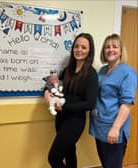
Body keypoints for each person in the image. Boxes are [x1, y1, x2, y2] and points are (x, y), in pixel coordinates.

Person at [44, 33, 98, 168]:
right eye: (77, 46)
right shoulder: (67, 70)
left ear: (89, 51)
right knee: (69, 153)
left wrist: (64, 107)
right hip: (61, 119)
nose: (79, 50)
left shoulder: (91, 74)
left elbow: (90, 103)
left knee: (53, 158)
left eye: (84, 47)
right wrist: (46, 92)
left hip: (74, 122)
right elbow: (52, 84)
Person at [89, 34, 137, 168]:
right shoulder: (103, 70)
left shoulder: (128, 73)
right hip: (100, 126)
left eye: (115, 46)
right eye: (107, 47)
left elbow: (126, 104)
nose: (111, 50)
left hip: (113, 128)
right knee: (105, 164)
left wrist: (115, 128)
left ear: (121, 51)